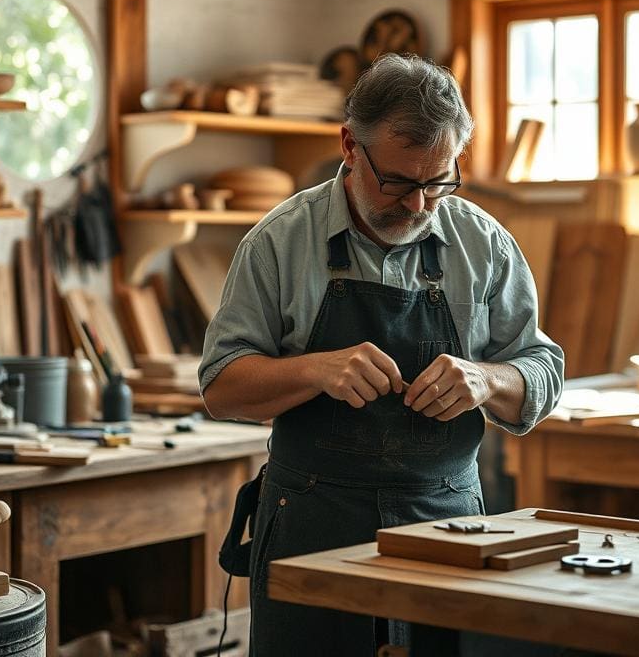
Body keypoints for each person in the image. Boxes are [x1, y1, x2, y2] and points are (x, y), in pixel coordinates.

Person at [200, 53, 564, 657]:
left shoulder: (484, 243)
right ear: (349, 145)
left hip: (445, 526)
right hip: (312, 524)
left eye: (439, 182)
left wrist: (485, 378)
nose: (419, 205)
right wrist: (313, 369)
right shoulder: (279, 241)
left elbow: (543, 370)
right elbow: (220, 386)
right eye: (397, 182)